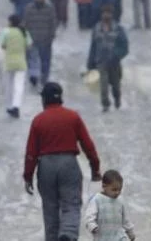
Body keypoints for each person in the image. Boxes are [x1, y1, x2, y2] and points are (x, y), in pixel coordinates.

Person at [23, 82, 101, 241]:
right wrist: (95, 168)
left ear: (44, 99)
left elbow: (31, 153)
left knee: (50, 209)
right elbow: (88, 145)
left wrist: (28, 177)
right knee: (71, 204)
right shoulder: (73, 117)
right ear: (61, 98)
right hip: (68, 164)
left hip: (45, 166)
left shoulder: (38, 120)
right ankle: (68, 234)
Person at [87, 5, 129, 112]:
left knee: (115, 85)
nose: (106, 15)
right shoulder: (96, 28)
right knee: (103, 85)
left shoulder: (118, 29)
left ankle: (117, 99)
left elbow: (125, 47)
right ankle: (105, 104)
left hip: (114, 62)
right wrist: (90, 62)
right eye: (104, 13)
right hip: (101, 62)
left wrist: (116, 55)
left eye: (108, 13)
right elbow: (93, 46)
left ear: (112, 14)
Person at [84, 170, 136, 241]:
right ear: (104, 186)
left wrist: (131, 233)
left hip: (119, 236)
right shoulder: (97, 199)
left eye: (119, 189)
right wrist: (92, 226)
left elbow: (125, 220)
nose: (117, 192)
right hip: (102, 236)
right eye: (114, 190)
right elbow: (89, 216)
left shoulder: (120, 201)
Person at [0, 15, 32, 118]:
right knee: (19, 86)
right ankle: (16, 106)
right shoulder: (24, 32)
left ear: (10, 22)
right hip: (21, 63)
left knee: (8, 86)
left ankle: (9, 106)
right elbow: (29, 45)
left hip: (8, 63)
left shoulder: (6, 32)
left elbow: (2, 45)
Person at [23, 0, 56, 87]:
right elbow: (25, 22)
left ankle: (44, 78)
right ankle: (33, 77)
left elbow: (53, 23)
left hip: (45, 39)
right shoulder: (29, 8)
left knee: (45, 60)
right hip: (32, 39)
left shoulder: (49, 8)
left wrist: (51, 36)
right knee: (32, 59)